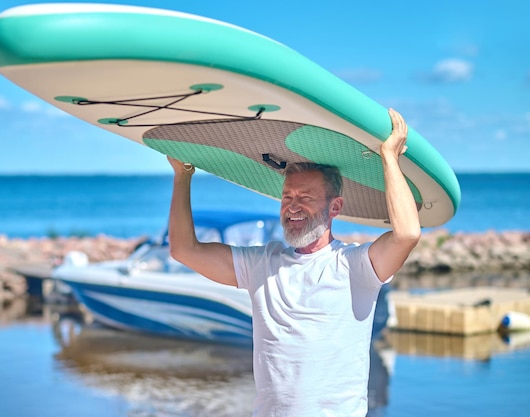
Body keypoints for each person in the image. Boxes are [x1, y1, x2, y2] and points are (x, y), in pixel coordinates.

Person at [166, 108, 421, 417]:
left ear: (335, 207)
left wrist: (389, 157)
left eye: (306, 197)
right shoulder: (261, 263)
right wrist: (183, 175)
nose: (293, 206)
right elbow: (184, 250)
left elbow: (406, 233)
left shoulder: (354, 266)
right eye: (287, 197)